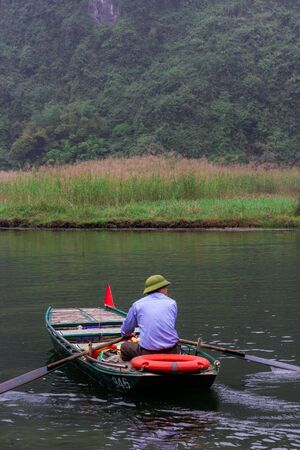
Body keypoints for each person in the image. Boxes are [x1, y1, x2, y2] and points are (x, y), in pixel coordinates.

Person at [120, 274, 179, 361]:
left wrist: (126, 334)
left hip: (148, 352)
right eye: (166, 287)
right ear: (161, 289)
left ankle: (129, 367)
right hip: (172, 350)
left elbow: (127, 330)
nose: (167, 290)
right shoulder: (172, 303)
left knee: (124, 347)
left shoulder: (138, 305)